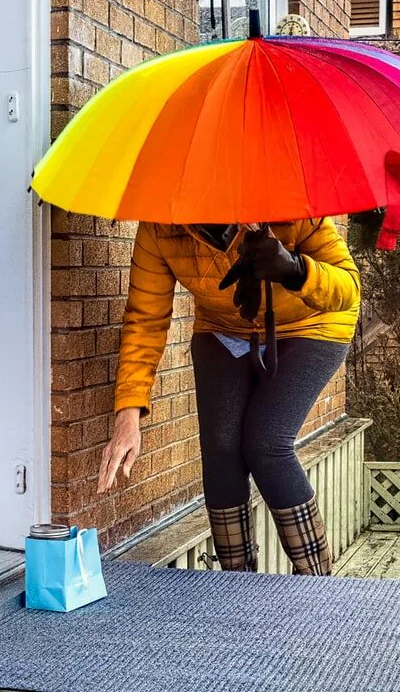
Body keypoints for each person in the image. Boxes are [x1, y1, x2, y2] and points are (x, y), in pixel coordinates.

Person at [98, 220, 361, 575]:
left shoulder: (288, 207)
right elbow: (145, 320)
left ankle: (317, 581)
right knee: (220, 446)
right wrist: (127, 415)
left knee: (265, 442)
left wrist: (296, 270)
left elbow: (349, 287)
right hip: (224, 327)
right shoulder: (159, 227)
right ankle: (235, 583)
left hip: (312, 323)